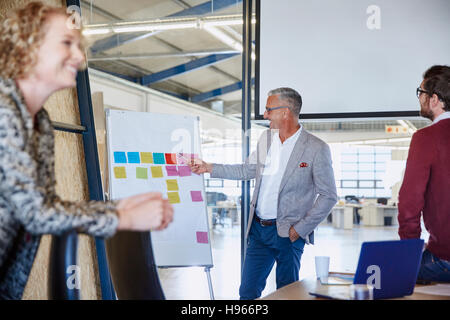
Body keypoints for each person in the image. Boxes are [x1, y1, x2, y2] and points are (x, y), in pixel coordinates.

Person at [0, 2, 173, 299]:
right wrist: (122, 219)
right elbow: (34, 213)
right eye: (67, 43)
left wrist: (118, 207)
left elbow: (47, 204)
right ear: (28, 44)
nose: (80, 57)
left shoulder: (39, 121)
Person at [189, 87, 337, 299]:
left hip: (288, 234)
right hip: (258, 230)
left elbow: (329, 196)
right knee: (247, 292)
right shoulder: (266, 139)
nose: (265, 115)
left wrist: (300, 229)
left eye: (269, 110)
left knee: (288, 294)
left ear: (285, 112)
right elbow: (246, 170)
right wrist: (209, 167)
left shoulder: (316, 148)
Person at [398, 65, 450, 282]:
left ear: (434, 100)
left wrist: (410, 251)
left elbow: (410, 202)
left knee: (380, 271)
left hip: (445, 258)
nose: (419, 98)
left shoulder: (426, 137)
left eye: (421, 93)